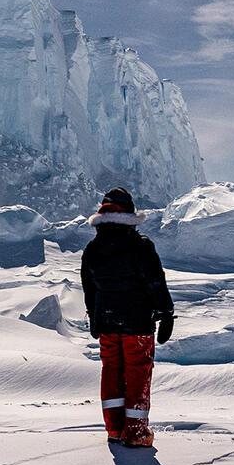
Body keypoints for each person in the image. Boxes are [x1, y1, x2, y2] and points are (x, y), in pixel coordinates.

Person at [79, 187, 175, 448]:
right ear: (129, 213)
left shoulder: (93, 248)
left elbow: (89, 288)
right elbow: (155, 282)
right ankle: (135, 430)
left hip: (107, 322)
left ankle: (114, 428)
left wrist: (94, 317)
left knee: (111, 370)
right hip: (137, 322)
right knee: (137, 371)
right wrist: (166, 312)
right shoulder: (139, 245)